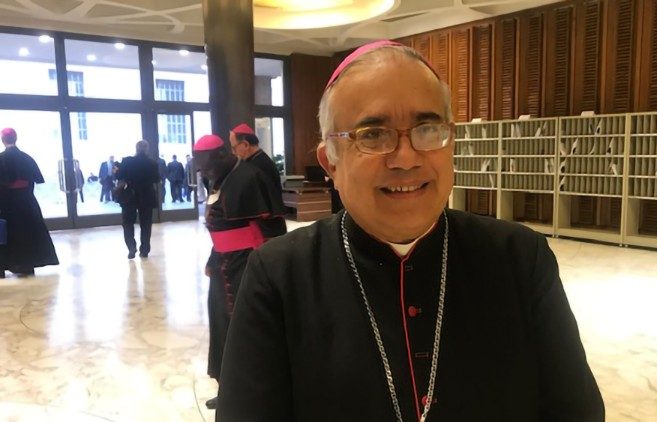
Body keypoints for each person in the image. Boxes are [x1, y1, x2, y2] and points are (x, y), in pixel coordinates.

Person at [217, 41, 604, 421]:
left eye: (428, 129)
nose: (406, 159)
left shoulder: (519, 258)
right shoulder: (278, 274)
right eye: (373, 134)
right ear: (330, 162)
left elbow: (576, 412)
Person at [191, 134, 287, 409]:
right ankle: (227, 388)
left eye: (208, 167)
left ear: (222, 155)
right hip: (223, 263)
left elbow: (272, 227)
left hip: (248, 264)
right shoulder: (220, 176)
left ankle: (252, 394)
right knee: (222, 326)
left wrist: (267, 266)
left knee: (248, 329)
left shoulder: (250, 177)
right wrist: (213, 256)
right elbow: (220, 225)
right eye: (201, 168)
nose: (205, 173)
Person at [0, 128, 59, 278]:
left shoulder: (1, 159)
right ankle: (28, 265)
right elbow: (35, 180)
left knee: (6, 234)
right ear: (16, 138)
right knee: (29, 232)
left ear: (3, 140)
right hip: (26, 203)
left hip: (6, 205)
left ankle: (5, 265)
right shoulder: (26, 158)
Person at [229, 123, 287, 238]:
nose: (233, 152)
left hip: (268, 228)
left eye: (234, 147)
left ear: (245, 144)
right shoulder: (256, 161)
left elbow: (260, 201)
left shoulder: (258, 166)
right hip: (265, 226)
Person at [118, 140, 159, 259]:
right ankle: (144, 250)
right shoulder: (152, 163)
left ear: (136, 148)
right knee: (146, 224)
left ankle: (131, 247)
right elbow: (156, 179)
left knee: (127, 222)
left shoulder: (127, 161)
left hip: (130, 195)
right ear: (147, 149)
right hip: (146, 195)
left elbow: (119, 176)